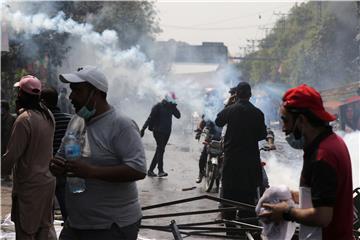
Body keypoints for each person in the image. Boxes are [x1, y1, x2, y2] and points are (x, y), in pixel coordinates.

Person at [49, 65, 147, 240]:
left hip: (111, 226)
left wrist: (91, 172)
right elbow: (61, 156)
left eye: (77, 91)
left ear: (95, 94)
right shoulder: (76, 122)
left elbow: (138, 169)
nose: (71, 97)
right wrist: (57, 166)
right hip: (76, 223)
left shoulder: (121, 124)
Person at [259, 84, 354, 240]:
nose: (283, 128)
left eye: (286, 120)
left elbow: (323, 216)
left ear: (301, 120)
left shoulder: (322, 156)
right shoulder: (330, 142)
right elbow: (325, 196)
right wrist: (292, 196)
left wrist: (286, 212)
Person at [1, 75, 57, 240]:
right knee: (43, 228)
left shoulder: (24, 120)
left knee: (26, 231)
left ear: (22, 96)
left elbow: (11, 156)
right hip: (47, 182)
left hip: (29, 187)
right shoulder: (48, 115)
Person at [215, 81, 267, 234]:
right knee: (248, 202)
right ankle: (247, 232)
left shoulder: (230, 110)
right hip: (250, 165)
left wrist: (229, 104)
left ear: (236, 94)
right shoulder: (258, 113)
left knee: (229, 200)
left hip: (232, 164)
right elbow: (262, 135)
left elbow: (218, 121)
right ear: (250, 95)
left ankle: (231, 233)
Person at [41, 87, 72, 222]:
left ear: (43, 102)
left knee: (46, 211)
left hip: (45, 170)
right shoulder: (70, 120)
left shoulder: (41, 121)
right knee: (67, 209)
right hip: (65, 168)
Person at [140, 92, 181, 177]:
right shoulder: (158, 106)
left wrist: (175, 106)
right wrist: (143, 129)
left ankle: (150, 170)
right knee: (161, 149)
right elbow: (150, 118)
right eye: (173, 99)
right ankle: (160, 170)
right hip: (158, 131)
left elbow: (178, 116)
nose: (174, 100)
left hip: (167, 132)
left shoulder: (171, 107)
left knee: (160, 150)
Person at [194, 115, 222, 183]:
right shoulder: (210, 115)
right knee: (203, 157)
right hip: (210, 140)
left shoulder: (226, 115)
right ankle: (201, 173)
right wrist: (199, 131)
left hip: (221, 141)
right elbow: (203, 123)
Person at [1, 100, 16, 181]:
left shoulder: (12, 118)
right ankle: (3, 175)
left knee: (7, 158)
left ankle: (6, 175)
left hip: (9, 141)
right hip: (2, 141)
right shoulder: (1, 117)